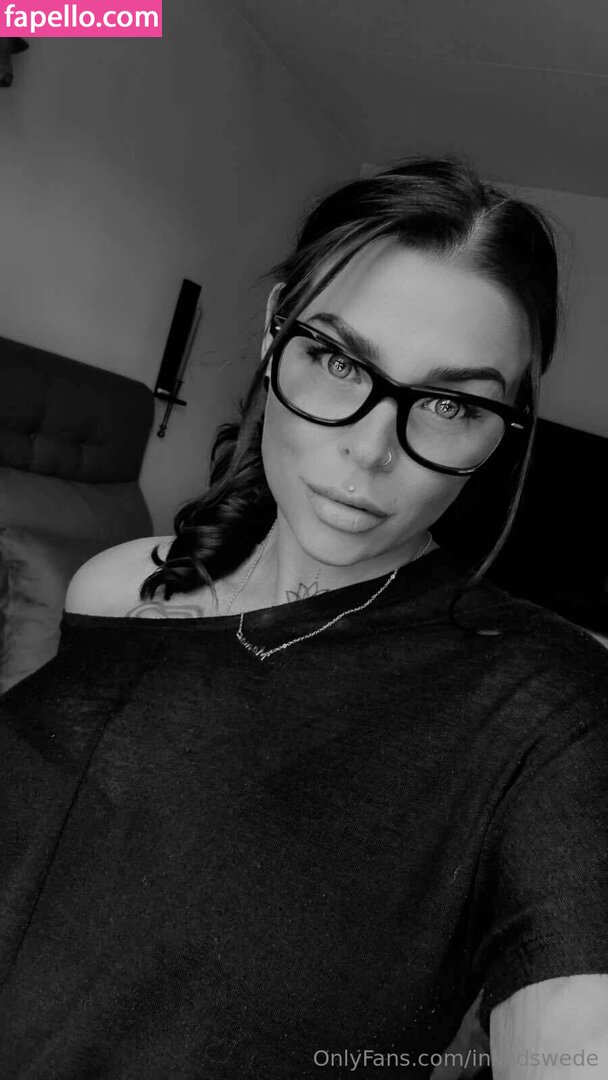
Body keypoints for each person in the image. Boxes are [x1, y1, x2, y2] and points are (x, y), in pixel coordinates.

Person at [1, 155, 607, 1080]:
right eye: (338, 360)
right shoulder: (117, 587)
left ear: (505, 427)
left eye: (450, 403)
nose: (369, 451)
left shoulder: (549, 710)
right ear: (274, 329)